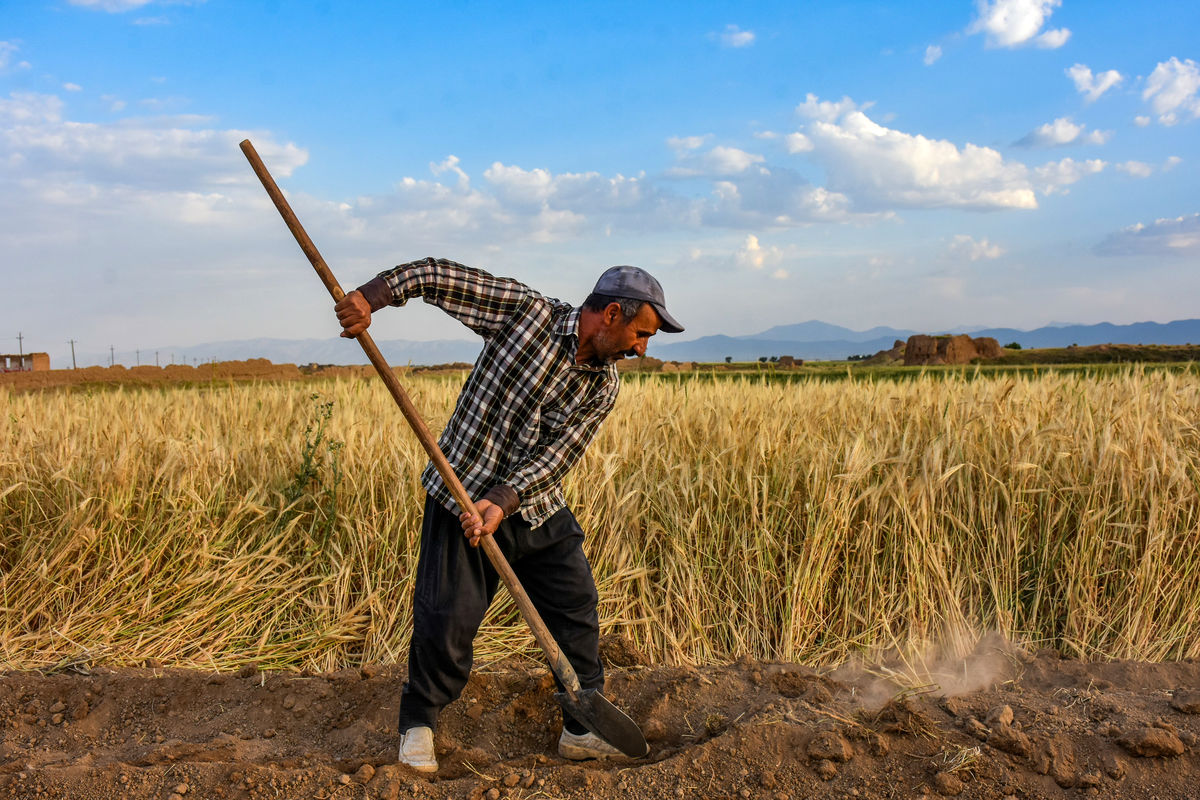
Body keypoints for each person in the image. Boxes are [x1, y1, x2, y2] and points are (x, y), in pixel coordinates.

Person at [334, 257, 684, 772]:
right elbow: (436, 276)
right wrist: (371, 297)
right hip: (460, 497)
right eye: (641, 333)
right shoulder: (525, 314)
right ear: (612, 313)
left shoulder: (602, 386)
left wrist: (502, 500)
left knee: (575, 608)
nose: (642, 348)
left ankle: (582, 728)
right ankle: (419, 723)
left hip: (533, 505)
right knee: (445, 620)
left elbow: (558, 455)